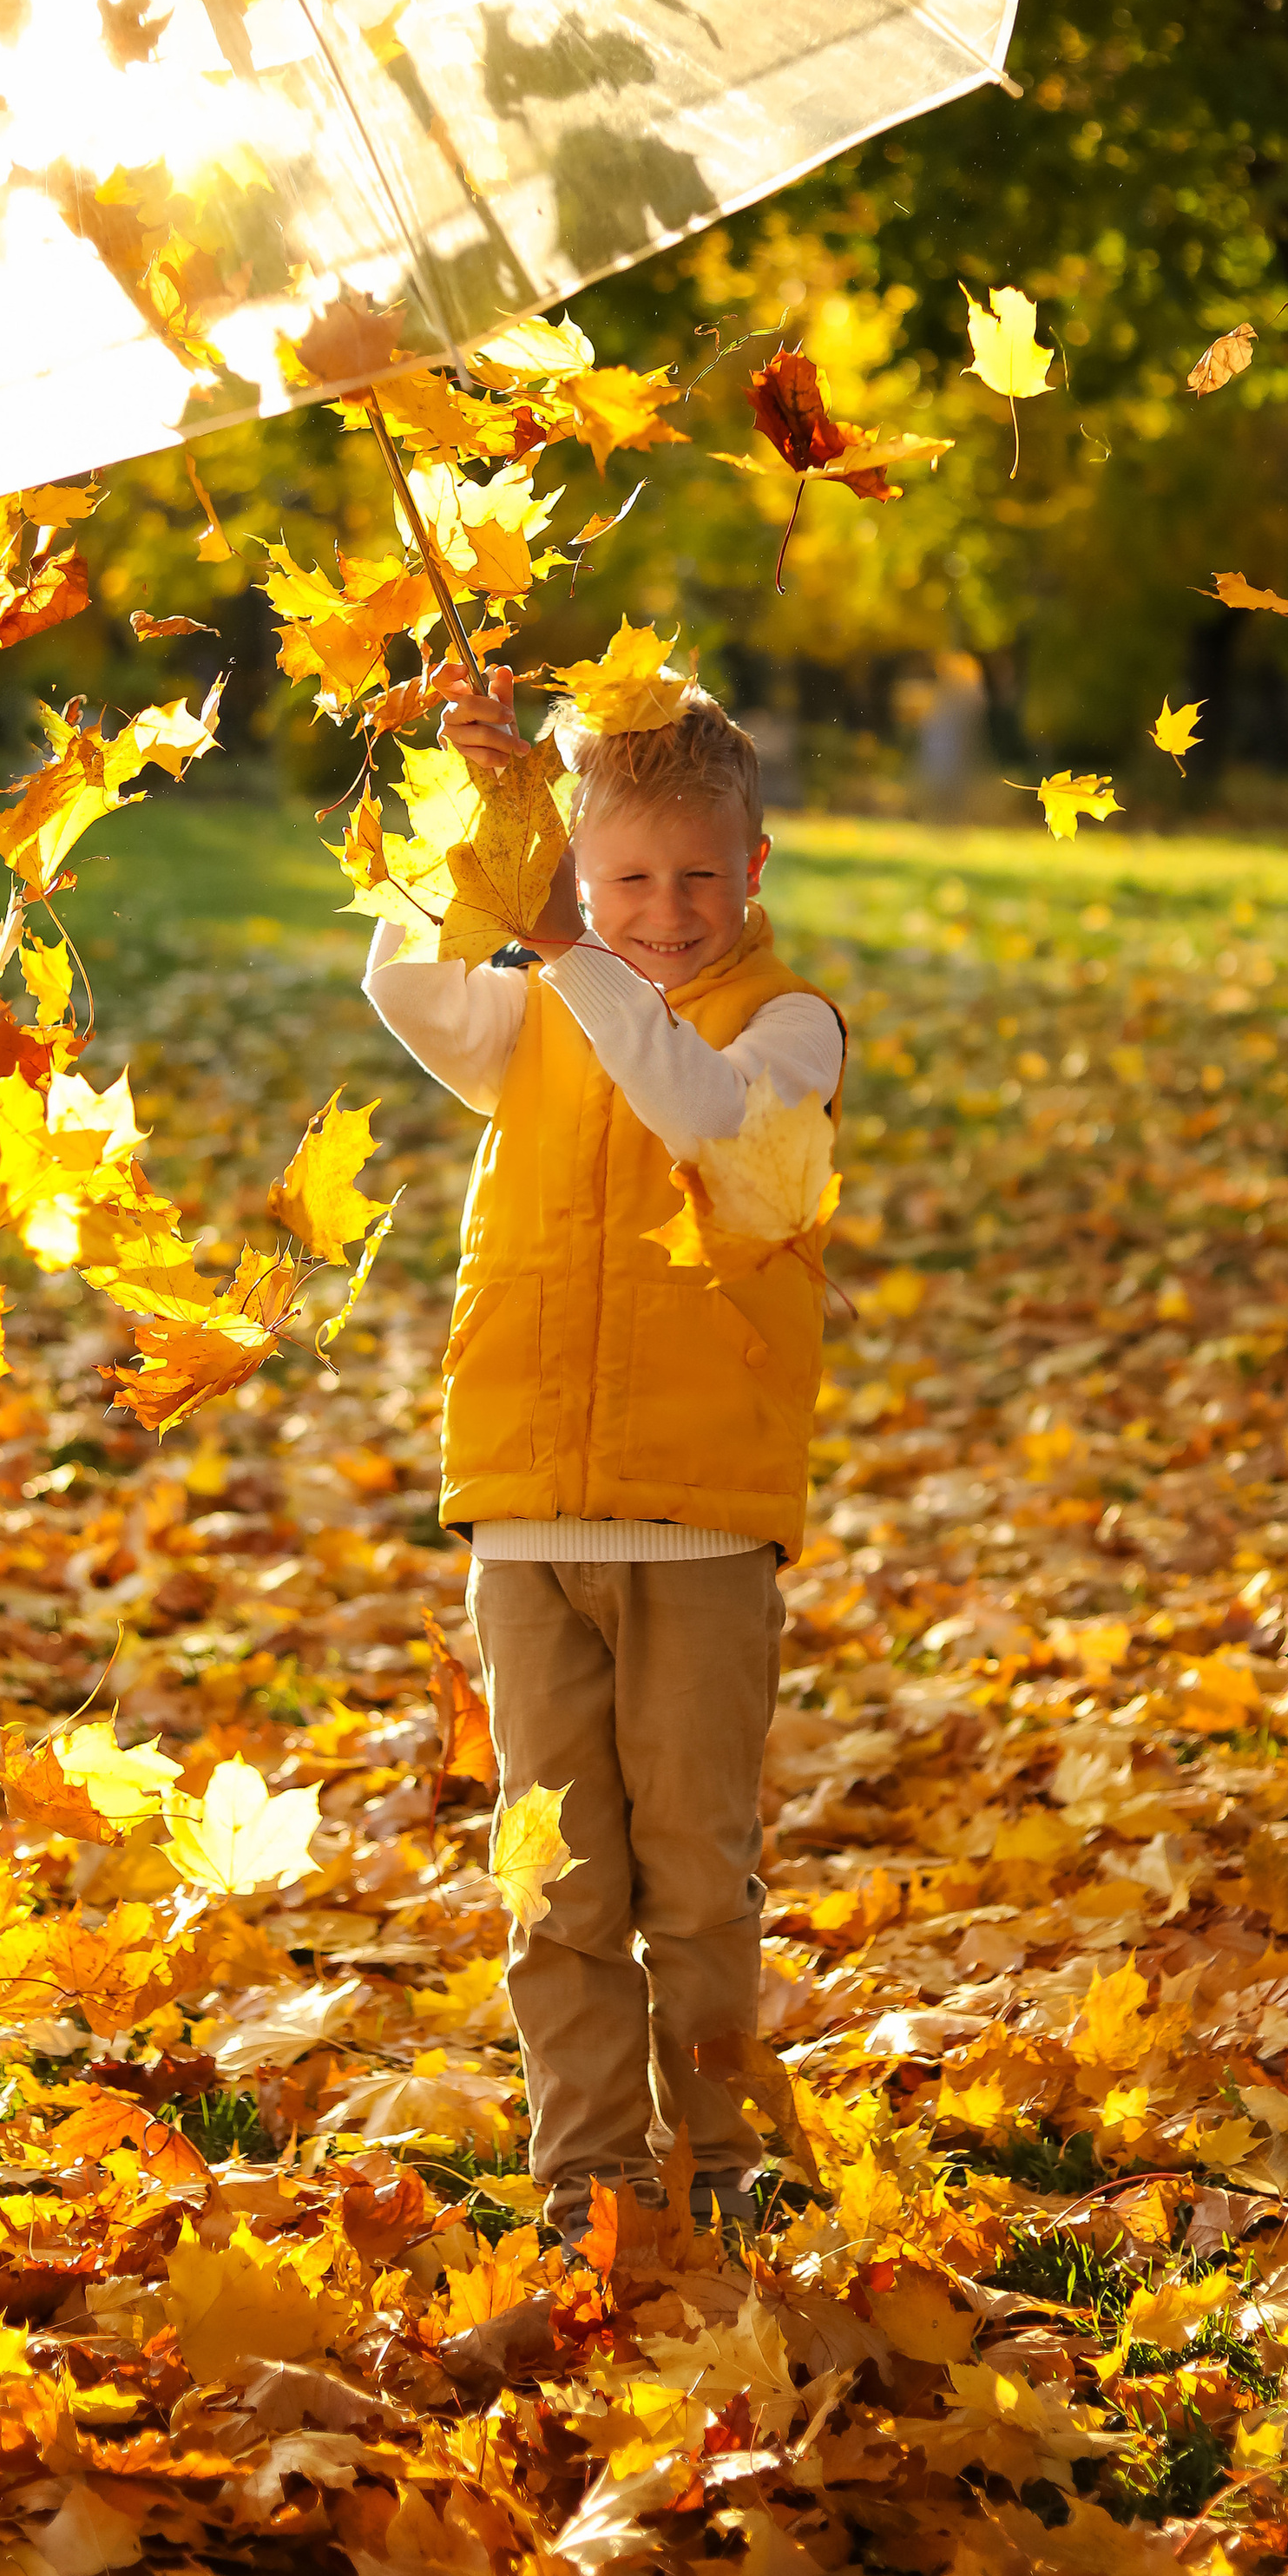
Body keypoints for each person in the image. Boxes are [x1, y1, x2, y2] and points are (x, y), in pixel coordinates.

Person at [363, 669, 844, 2250]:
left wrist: (569, 943)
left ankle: (715, 2165)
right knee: (554, 1882)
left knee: (696, 1878)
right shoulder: (538, 1013)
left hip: (698, 1527)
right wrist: (486, 807)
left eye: (700, 875)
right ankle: (586, 2180)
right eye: (628, 878)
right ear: (583, 868)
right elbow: (405, 984)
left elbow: (701, 1116)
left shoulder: (790, 1027)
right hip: (524, 1514)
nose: (667, 910)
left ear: (754, 867)